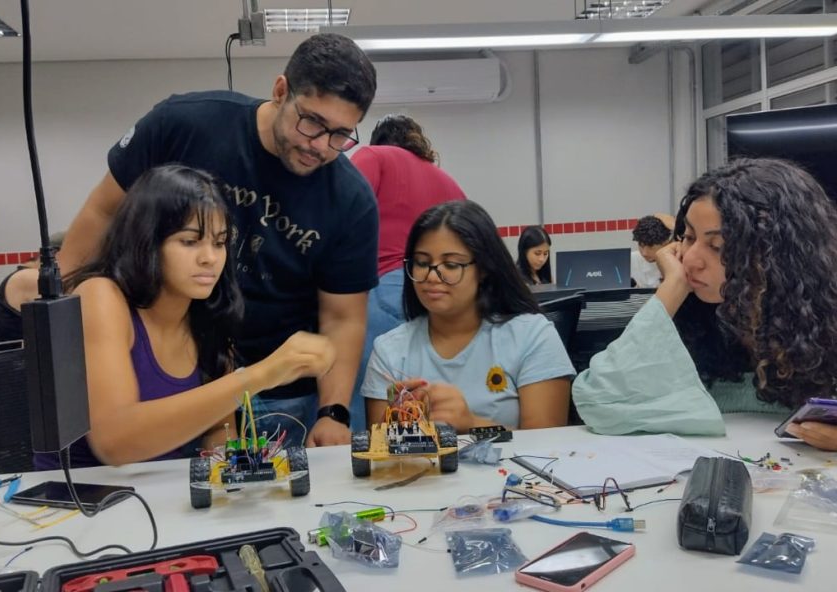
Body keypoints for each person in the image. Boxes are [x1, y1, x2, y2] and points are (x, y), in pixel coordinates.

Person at [58, 34, 378, 448]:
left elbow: (343, 317)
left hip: (260, 382)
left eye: (340, 135)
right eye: (312, 122)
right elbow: (103, 212)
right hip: (154, 367)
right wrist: (56, 320)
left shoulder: (350, 200)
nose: (320, 145)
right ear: (280, 91)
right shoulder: (185, 124)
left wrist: (332, 411)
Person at [35, 165, 335, 469]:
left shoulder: (208, 313)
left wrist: (229, 468)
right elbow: (114, 442)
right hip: (76, 502)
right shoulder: (101, 296)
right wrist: (261, 375)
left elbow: (220, 428)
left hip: (156, 496)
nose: (210, 258)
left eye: (219, 243)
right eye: (190, 241)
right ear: (147, 241)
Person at [573, 159, 837, 452]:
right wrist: (672, 287)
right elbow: (596, 401)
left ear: (779, 256)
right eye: (687, 237)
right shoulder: (695, 324)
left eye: (718, 246)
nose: (689, 259)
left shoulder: (826, 326)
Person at [361, 200, 575, 432]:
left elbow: (547, 449)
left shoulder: (532, 336)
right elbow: (383, 454)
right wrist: (395, 428)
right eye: (422, 263)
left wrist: (472, 424)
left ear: (483, 269)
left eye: (451, 264)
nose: (432, 276)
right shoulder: (389, 351)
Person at [348, 114, 466, 430]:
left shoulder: (374, 156)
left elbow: (343, 205)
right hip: (445, 294)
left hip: (387, 287)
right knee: (432, 401)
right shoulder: (448, 180)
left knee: (368, 399)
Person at [0, 232, 65, 350]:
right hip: (8, 362)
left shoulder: (27, 272)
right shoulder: (31, 278)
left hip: (17, 357)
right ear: (55, 255)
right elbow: (69, 317)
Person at [630, 214, 674, 288]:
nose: (644, 253)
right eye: (641, 245)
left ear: (666, 243)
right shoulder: (630, 261)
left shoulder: (681, 264)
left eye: (650, 246)